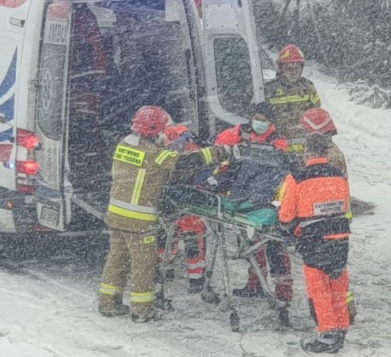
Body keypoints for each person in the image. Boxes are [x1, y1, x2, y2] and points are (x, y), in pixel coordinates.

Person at [99, 106, 225, 322]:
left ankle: (108, 303)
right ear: (155, 129)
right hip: (138, 220)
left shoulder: (123, 144)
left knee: (116, 259)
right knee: (143, 264)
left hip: (116, 214)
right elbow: (186, 161)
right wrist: (218, 152)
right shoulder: (155, 154)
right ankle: (141, 310)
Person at [215, 102, 293, 323]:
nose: (259, 123)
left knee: (275, 246)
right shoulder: (241, 132)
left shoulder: (277, 141)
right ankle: (255, 284)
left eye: (264, 120)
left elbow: (275, 165)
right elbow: (220, 143)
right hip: (244, 198)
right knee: (251, 241)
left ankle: (283, 292)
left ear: (271, 123)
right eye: (256, 118)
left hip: (266, 200)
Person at [279, 133, 352, 353]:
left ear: (307, 152)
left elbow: (286, 214)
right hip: (340, 236)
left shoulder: (298, 178)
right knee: (338, 282)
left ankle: (327, 333)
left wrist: (288, 224)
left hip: (314, 238)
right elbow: (345, 206)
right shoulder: (339, 174)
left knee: (318, 287)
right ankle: (341, 327)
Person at [299, 107, 356, 323]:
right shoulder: (330, 150)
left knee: (332, 273)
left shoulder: (330, 156)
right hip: (337, 218)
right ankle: (340, 313)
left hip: (331, 219)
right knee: (335, 270)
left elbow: (323, 190)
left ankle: (339, 314)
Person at [158, 122, 208, 294]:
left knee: (167, 238)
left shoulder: (170, 141)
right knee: (193, 240)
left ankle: (164, 272)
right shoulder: (188, 140)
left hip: (175, 198)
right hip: (191, 199)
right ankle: (196, 280)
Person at [264, 44, 321, 154]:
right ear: (281, 68)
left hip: (305, 151)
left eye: (297, 68)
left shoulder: (308, 88)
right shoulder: (269, 90)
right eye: (289, 68)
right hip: (278, 149)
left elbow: (318, 116)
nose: (293, 71)